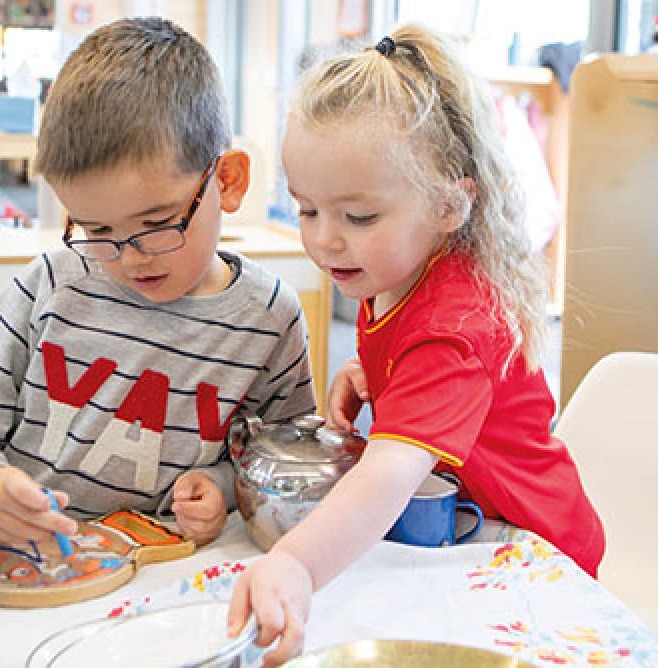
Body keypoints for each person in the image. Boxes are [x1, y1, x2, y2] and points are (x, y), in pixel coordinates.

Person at [226, 25, 604, 666]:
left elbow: (383, 481)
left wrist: (293, 563)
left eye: (359, 217)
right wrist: (377, 373)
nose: (325, 240)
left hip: (533, 558)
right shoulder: (394, 268)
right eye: (307, 209)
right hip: (463, 533)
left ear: (450, 205)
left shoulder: (453, 326)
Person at [0, 17, 316, 550]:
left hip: (160, 582)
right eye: (97, 230)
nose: (129, 258)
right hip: (25, 569)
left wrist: (221, 487)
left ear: (227, 181)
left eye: (156, 224)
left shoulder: (270, 319)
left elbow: (276, 460)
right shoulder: (52, 284)